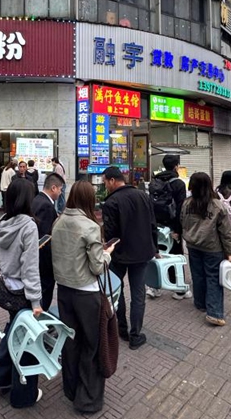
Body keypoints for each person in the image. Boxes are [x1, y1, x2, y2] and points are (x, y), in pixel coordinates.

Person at [51, 181, 115, 413]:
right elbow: (97, 267)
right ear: (89, 199)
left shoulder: (58, 221)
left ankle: (71, 388)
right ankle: (87, 399)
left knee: (71, 341)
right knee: (92, 344)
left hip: (64, 290)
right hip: (86, 294)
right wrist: (107, 254)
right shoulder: (90, 226)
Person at [0, 178, 44, 407]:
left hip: (5, 288)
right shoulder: (29, 226)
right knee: (27, 342)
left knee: (13, 330)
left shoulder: (3, 222)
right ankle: (23, 395)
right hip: (22, 292)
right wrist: (36, 301)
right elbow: (30, 268)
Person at [101, 166, 158, 350]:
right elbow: (152, 224)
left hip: (119, 254)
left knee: (116, 291)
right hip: (142, 252)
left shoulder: (111, 202)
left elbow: (111, 234)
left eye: (104, 182)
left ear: (111, 180)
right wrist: (154, 247)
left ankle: (122, 329)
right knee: (138, 293)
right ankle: (136, 335)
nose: (105, 186)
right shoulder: (142, 195)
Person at [181, 172, 231, 326]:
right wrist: (229, 251)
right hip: (212, 247)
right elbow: (226, 231)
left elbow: (183, 222)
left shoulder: (187, 203)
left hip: (192, 244)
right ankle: (215, 312)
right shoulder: (217, 205)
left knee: (197, 274)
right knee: (213, 277)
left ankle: (200, 303)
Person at [147, 154, 189, 300]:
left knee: (158, 253)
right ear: (176, 166)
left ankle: (154, 287)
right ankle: (179, 289)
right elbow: (180, 209)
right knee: (176, 255)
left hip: (156, 225)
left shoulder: (155, 181)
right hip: (172, 226)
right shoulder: (178, 184)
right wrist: (178, 230)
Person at [32, 172, 64, 310]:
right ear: (53, 188)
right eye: (60, 189)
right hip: (43, 261)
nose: (61, 192)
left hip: (35, 258)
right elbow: (45, 238)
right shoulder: (46, 206)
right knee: (45, 292)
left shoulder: (36, 200)